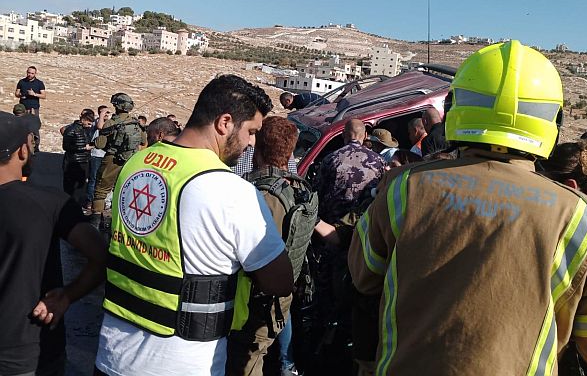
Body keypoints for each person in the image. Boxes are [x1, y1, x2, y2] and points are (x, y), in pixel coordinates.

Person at [349, 40, 587, 376]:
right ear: (553, 122)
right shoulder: (586, 222)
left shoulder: (402, 189)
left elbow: (364, 276)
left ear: (455, 106)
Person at [95, 75, 294, 376]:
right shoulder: (230, 190)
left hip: (112, 356)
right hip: (182, 363)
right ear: (225, 122)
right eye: (251, 131)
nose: (253, 143)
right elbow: (279, 280)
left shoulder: (138, 163)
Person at [0, 111, 107, 376]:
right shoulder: (49, 204)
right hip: (27, 353)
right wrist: (67, 296)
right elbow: (101, 257)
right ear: (23, 151)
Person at [227, 116, 317, 376]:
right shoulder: (297, 188)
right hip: (279, 302)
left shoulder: (262, 196)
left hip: (253, 306)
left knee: (245, 363)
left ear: (259, 146)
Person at [313, 119, 385, 224]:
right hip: (364, 222)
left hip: (331, 224)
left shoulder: (331, 159)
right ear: (365, 136)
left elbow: (317, 191)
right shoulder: (379, 161)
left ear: (343, 134)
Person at [90, 93, 143, 230]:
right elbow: (143, 142)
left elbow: (100, 145)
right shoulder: (136, 123)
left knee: (101, 190)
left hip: (112, 160)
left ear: (117, 106)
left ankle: (95, 224)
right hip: (131, 161)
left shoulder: (111, 123)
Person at [62, 113, 93, 204]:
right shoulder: (71, 130)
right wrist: (83, 148)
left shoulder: (86, 130)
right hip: (73, 161)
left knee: (81, 185)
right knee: (70, 186)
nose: (89, 125)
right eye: (88, 123)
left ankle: (77, 205)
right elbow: (66, 147)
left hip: (84, 161)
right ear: (83, 120)